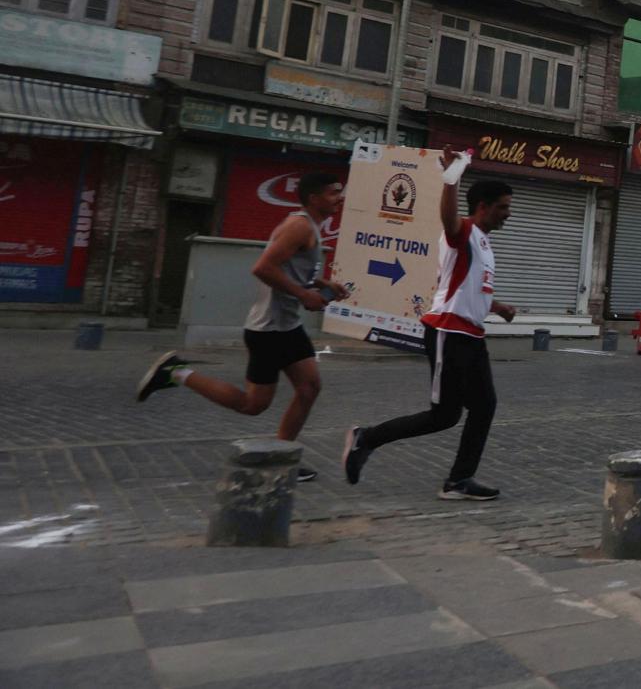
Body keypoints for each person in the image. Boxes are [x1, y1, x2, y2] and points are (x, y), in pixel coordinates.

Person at [137, 171, 344, 482]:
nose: (339, 198)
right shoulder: (299, 225)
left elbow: (290, 266)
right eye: (333, 193)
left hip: (287, 326)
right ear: (314, 199)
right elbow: (262, 268)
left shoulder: (308, 225)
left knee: (309, 387)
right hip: (269, 330)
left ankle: (281, 456)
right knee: (252, 405)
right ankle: (175, 372)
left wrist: (321, 284)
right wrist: (304, 295)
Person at [343, 152, 517, 500]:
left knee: (483, 407)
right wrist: (451, 179)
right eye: (502, 207)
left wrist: (496, 306)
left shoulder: (483, 242)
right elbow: (449, 220)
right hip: (449, 334)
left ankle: (459, 481)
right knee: (444, 416)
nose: (507, 213)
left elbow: (463, 286)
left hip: (471, 334)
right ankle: (367, 438)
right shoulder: (464, 230)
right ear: (482, 206)